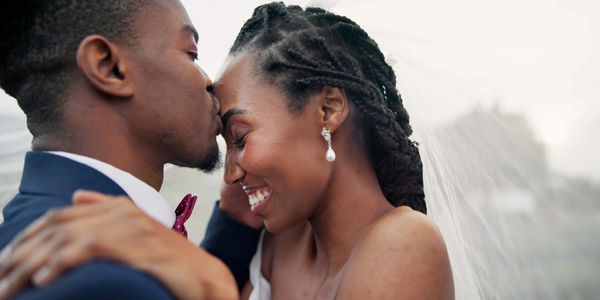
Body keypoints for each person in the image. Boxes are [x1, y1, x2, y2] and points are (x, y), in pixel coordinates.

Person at [1, 2, 455, 299]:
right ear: (109, 66)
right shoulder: (94, 273)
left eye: (239, 137)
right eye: (191, 53)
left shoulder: (399, 244)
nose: (231, 173)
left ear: (329, 109)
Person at [0, 1, 261, 299]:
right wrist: (216, 288)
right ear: (109, 67)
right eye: (191, 54)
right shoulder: (104, 280)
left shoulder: (30, 223)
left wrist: (234, 227)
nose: (209, 82)